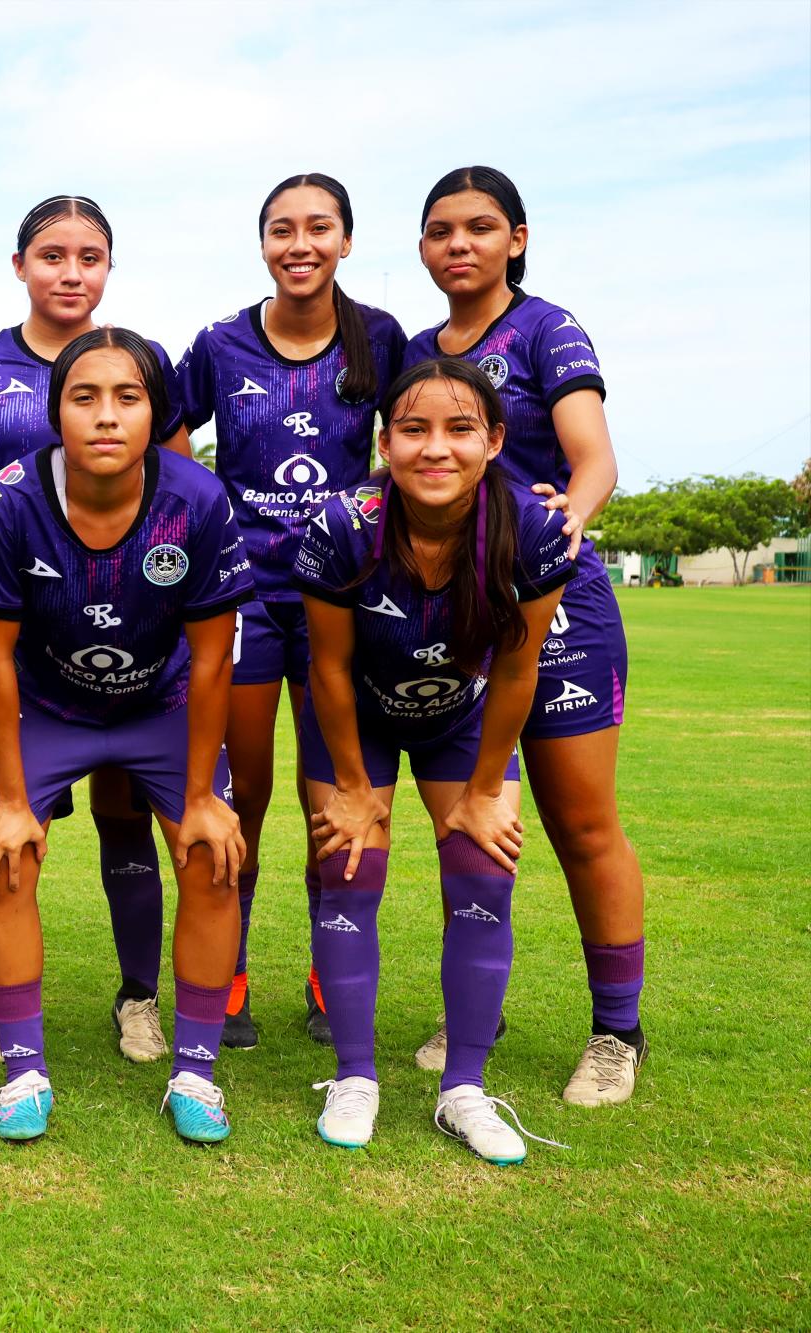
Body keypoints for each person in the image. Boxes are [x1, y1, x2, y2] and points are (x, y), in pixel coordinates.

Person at [0, 327, 251, 1143]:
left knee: (211, 853)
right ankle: (23, 1072)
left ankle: (194, 1067)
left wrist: (200, 797)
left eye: (128, 397)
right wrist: (11, 800)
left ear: (155, 411)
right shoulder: (11, 500)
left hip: (159, 703)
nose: (106, 416)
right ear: (56, 412)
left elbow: (212, 653)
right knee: (5, 856)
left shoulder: (196, 498)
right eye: (84, 397)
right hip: (48, 707)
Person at [0, 194, 189, 1067]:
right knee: (8, 822)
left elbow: (181, 491)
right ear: (20, 266)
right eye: (52, 255)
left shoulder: (138, 361)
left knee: (126, 818)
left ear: (109, 269)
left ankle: (139, 998)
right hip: (20, 636)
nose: (71, 272)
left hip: (134, 634)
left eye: (90, 256)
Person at [295, 357, 575, 1163]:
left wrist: (488, 789)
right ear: (385, 442)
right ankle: (355, 1077)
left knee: (485, 869)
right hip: (359, 718)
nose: (435, 448)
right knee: (349, 863)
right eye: (414, 429)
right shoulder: (343, 521)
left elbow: (520, 669)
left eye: (459, 429)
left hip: (462, 717)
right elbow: (329, 668)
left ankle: (465, 1088)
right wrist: (351, 786)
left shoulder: (532, 526)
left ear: (493, 440)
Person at [408, 166, 647, 1106]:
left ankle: (617, 1033)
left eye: (478, 228)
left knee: (581, 823)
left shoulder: (547, 326)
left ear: (517, 237)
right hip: (456, 615)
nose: (457, 244)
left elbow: (595, 460)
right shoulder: (418, 350)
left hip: (560, 611)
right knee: (468, 826)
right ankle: (477, 1011)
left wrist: (567, 519)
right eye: (439, 231)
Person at [171, 173, 406, 1049]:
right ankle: (225, 976)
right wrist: (202, 505)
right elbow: (170, 427)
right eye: (281, 229)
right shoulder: (222, 343)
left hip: (343, 594)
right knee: (245, 794)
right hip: (242, 593)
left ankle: (324, 972)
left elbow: (420, 428)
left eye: (319, 228)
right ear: (262, 244)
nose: (299, 244)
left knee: (332, 791)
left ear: (346, 241)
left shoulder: (379, 338)